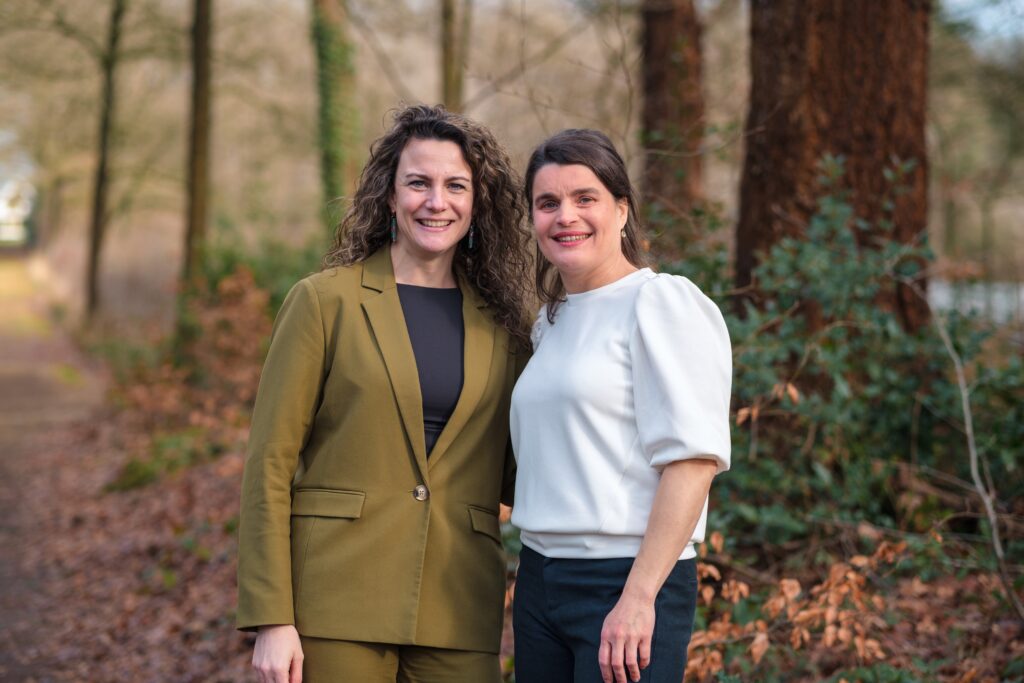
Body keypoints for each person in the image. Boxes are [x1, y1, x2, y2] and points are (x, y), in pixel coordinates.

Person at [237, 104, 532, 683]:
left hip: (460, 607)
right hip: (335, 601)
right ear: (390, 195)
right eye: (417, 183)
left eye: (455, 186)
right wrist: (272, 617)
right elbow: (269, 465)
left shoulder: (505, 328)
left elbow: (522, 475)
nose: (435, 201)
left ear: (477, 203)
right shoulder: (325, 303)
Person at [509, 129, 732, 683]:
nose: (566, 216)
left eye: (585, 198)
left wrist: (638, 597)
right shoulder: (549, 322)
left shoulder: (660, 302)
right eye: (548, 203)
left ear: (622, 210)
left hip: (626, 582)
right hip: (538, 580)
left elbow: (693, 462)